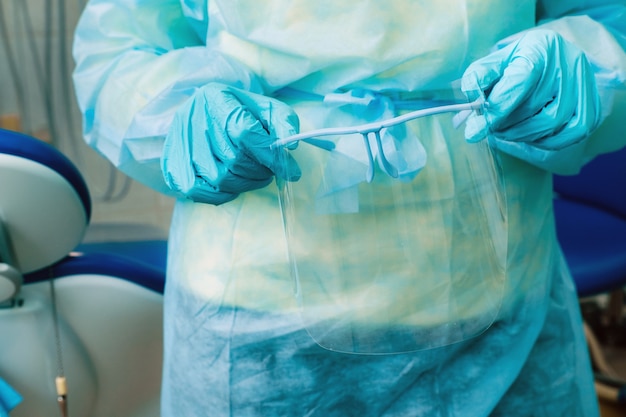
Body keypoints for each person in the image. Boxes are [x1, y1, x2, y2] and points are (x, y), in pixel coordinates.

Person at [72, 1, 626, 416]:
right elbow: (117, 49)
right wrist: (177, 116)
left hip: (498, 307)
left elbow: (609, 17)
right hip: (258, 320)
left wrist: (586, 70)